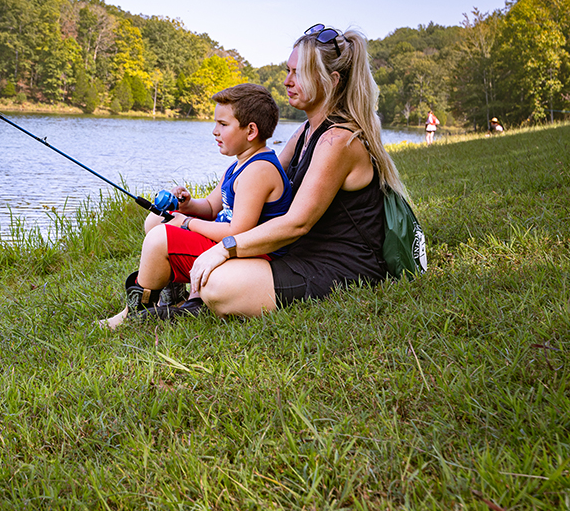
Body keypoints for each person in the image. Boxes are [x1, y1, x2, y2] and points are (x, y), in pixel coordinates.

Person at [189, 24, 410, 317]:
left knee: (218, 284)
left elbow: (297, 223)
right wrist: (198, 208)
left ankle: (199, 299)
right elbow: (260, 172)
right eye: (288, 71)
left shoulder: (338, 140)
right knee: (186, 245)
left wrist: (225, 247)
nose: (286, 81)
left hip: (340, 267)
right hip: (298, 253)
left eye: (298, 73)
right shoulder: (307, 130)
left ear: (330, 80)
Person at [101, 83, 293, 329]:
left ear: (251, 130)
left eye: (223, 125)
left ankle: (136, 311)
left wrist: (187, 223)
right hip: (226, 244)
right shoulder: (239, 165)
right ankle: (175, 294)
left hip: (249, 256)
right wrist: (188, 205)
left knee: (160, 237)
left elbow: (237, 233)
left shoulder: (258, 171)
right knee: (156, 220)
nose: (215, 131)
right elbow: (213, 208)